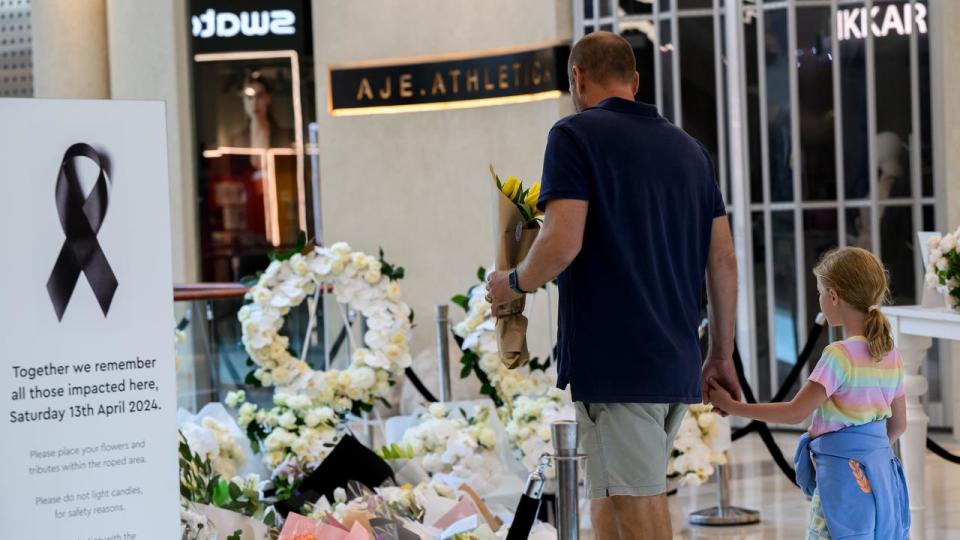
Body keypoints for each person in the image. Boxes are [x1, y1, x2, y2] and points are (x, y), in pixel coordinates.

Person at [485, 31, 740, 539]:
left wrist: (512, 284)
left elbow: (562, 242)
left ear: (576, 77)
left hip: (618, 360)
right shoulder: (690, 151)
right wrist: (721, 353)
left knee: (639, 508)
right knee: (609, 499)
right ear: (636, 81)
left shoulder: (574, 135)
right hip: (674, 358)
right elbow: (724, 259)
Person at [708, 247, 910, 539]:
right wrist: (867, 452)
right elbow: (899, 425)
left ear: (834, 296)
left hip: (842, 481)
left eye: (819, 292)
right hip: (882, 478)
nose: (819, 300)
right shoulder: (890, 353)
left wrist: (733, 406)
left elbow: (795, 411)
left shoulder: (839, 355)